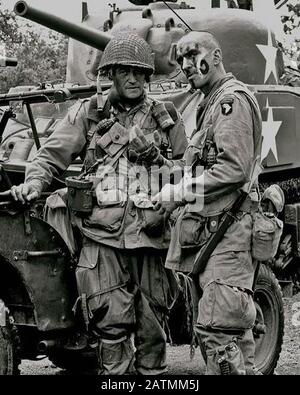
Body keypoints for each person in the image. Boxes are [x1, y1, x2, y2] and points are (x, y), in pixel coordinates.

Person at [10, 33, 188, 375]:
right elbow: (50, 156)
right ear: (112, 74)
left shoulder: (167, 118)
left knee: (153, 326)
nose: (133, 79)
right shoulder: (89, 114)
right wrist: (33, 184)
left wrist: (155, 160)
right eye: (124, 71)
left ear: (149, 76)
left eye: (139, 72)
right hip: (101, 236)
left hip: (151, 235)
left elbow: (188, 171)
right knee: (110, 322)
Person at [152, 31, 263, 375]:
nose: (186, 65)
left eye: (193, 54)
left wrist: (181, 192)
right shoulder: (209, 103)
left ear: (216, 57)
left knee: (220, 333)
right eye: (182, 58)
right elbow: (202, 166)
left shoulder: (231, 101)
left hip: (228, 237)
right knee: (223, 334)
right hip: (213, 236)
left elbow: (234, 168)